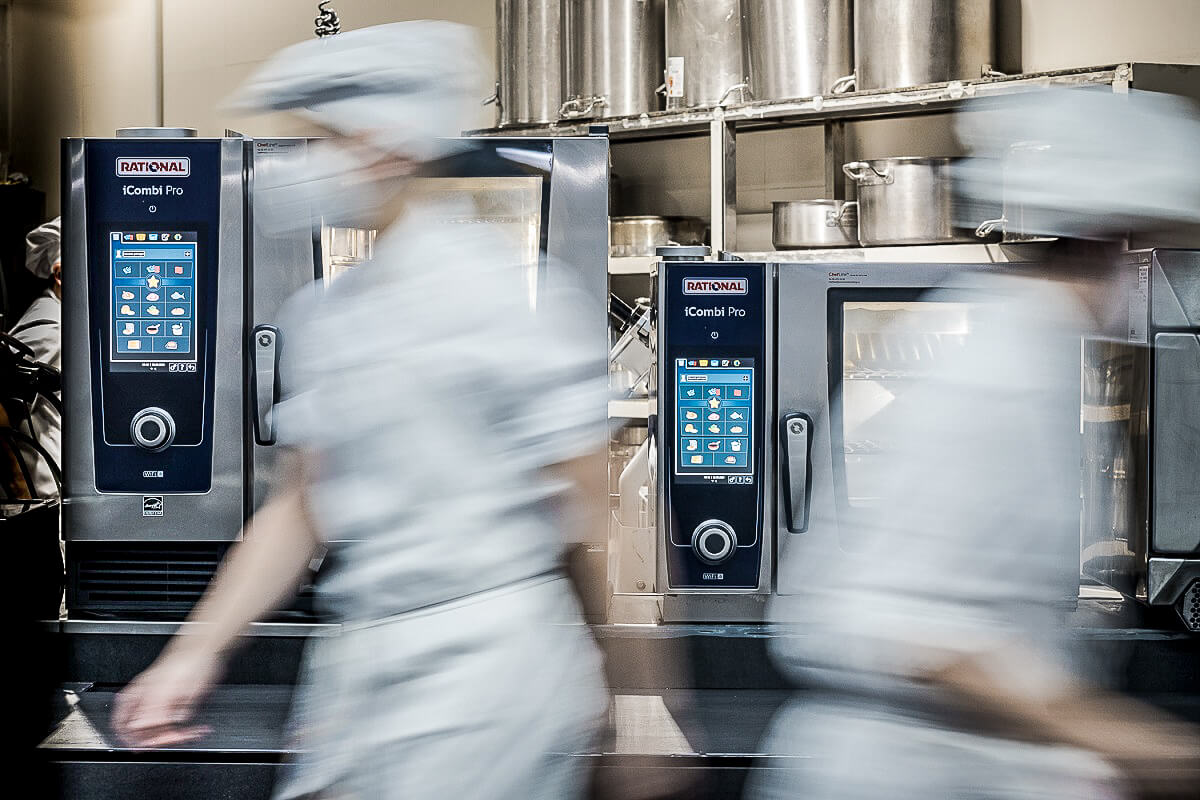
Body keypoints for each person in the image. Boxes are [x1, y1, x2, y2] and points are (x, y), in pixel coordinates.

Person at [111, 22, 608, 800]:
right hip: (366, 655)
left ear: (386, 147)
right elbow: (301, 504)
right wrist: (194, 653)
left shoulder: (504, 297)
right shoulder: (326, 312)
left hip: (488, 667)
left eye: (320, 141)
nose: (304, 166)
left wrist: (625, 682)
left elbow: (586, 513)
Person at [751, 88, 1200, 800]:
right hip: (902, 771)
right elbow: (912, 631)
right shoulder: (998, 370)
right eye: (1154, 245)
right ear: (1108, 243)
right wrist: (1126, 739)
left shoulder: (1027, 345)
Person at [5, 217, 63, 500]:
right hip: (42, 493)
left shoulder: (66, 317)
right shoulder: (48, 327)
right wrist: (21, 489)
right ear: (60, 274)